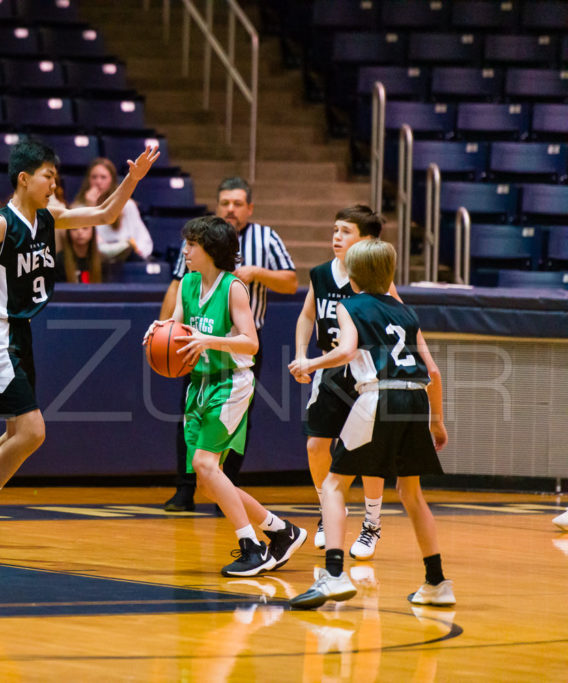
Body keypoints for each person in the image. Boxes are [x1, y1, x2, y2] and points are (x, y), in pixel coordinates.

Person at [0, 139, 161, 560]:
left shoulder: (48, 215)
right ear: (24, 179)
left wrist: (133, 178)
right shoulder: (0, 224)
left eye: (55, 176)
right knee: (33, 432)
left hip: (20, 332)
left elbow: (106, 214)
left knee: (15, 434)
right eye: (48, 176)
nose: (55, 184)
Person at [288, 238, 453, 609]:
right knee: (412, 495)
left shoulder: (351, 306)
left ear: (355, 278)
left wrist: (310, 364)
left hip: (379, 395)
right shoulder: (406, 313)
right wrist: (437, 422)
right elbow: (433, 371)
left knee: (333, 484)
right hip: (415, 400)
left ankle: (333, 576)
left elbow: (346, 351)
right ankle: (437, 581)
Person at [145, 215, 307, 577]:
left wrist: (209, 341)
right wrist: (159, 332)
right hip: (199, 384)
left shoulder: (233, 288)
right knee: (206, 482)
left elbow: (251, 342)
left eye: (192, 245)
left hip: (231, 381)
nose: (185, 250)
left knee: (205, 464)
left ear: (211, 251)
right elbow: (176, 328)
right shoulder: (187, 283)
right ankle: (282, 531)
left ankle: (252, 547)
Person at [163, 177, 297, 512]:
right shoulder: (193, 269)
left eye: (238, 203)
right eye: (225, 202)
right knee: (189, 420)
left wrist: (259, 273)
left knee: (233, 428)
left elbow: (292, 282)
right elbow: (177, 295)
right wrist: (163, 330)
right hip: (198, 353)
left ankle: (232, 491)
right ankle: (187, 487)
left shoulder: (261, 245)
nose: (231, 209)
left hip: (234, 351)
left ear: (249, 207)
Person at [294, 205, 399, 559]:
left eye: (345, 231)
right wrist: (301, 355)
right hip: (329, 368)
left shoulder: (375, 280)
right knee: (315, 445)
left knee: (366, 453)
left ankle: (372, 523)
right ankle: (329, 510)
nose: (336, 237)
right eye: (334, 230)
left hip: (367, 372)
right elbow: (307, 315)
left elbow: (398, 318)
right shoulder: (322, 274)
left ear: (367, 240)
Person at [72, 157, 153, 262]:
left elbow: (144, 239)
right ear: (88, 180)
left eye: (103, 177)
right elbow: (85, 241)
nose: (98, 182)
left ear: (112, 180)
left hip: (127, 258)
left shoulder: (127, 205)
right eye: (94, 177)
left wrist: (138, 252)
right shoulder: (79, 207)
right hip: (96, 260)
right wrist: (90, 207)